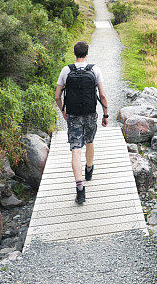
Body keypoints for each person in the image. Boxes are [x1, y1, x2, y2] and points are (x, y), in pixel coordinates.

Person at [55, 41, 109, 203]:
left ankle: (80, 189)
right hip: (90, 113)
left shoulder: (66, 70)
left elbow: (57, 96)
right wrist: (105, 115)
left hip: (73, 114)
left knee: (75, 149)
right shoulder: (95, 69)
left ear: (74, 53)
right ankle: (89, 168)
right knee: (90, 141)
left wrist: (64, 112)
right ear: (87, 53)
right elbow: (103, 95)